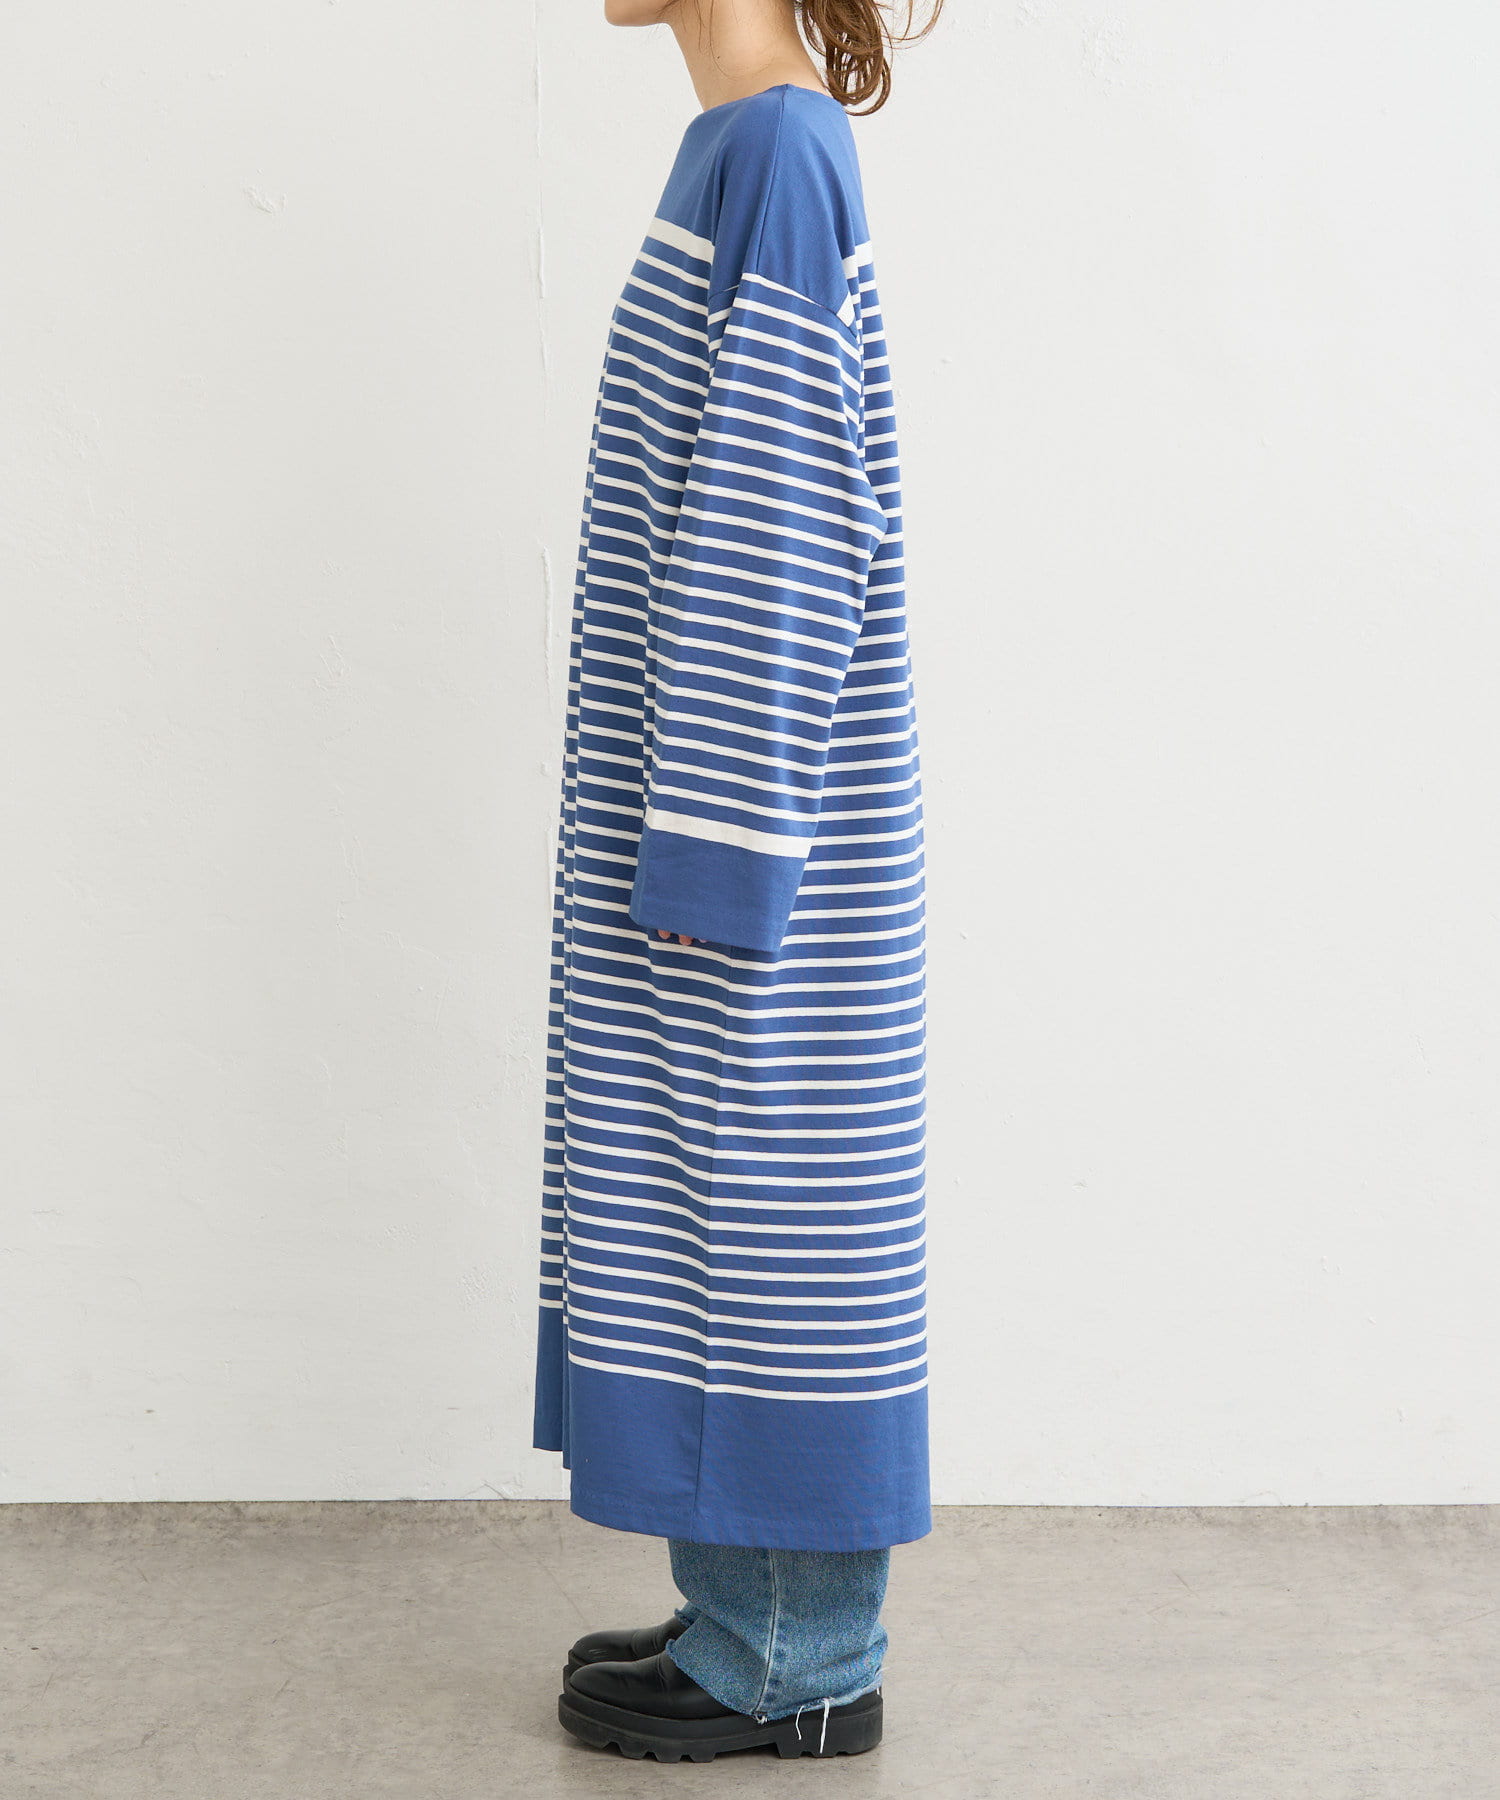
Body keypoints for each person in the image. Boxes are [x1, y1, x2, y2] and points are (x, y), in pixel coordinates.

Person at [532, 0, 942, 1763]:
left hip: (747, 825)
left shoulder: (775, 148)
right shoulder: (747, 146)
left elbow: (781, 522)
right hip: (716, 802)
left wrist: (714, 851)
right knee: (716, 1209)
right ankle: (750, 1609)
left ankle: (797, 1654)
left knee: (763, 1210)